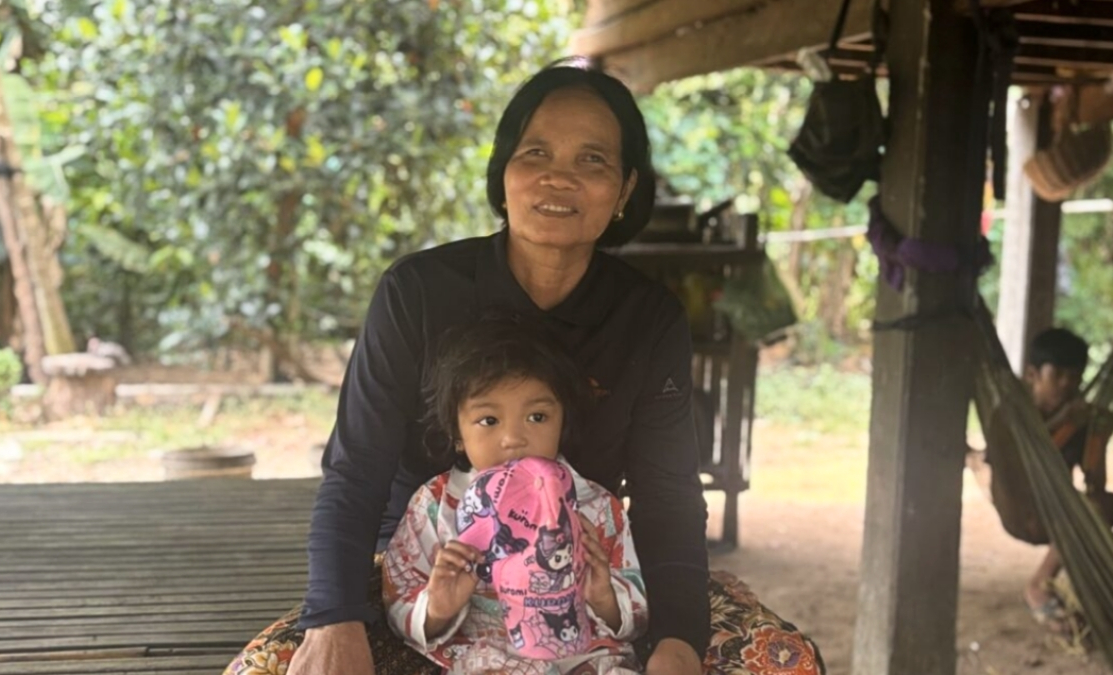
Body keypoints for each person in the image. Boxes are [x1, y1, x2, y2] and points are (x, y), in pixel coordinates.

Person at [225, 57, 823, 675]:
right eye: (535, 153)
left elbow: (668, 497)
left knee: (783, 662)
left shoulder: (646, 318)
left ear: (624, 191)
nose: (558, 179)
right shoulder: (418, 293)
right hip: (423, 580)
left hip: (590, 589)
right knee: (268, 670)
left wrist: (677, 640)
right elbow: (354, 474)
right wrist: (334, 618)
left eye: (592, 160)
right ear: (503, 174)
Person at [382, 314, 647, 674]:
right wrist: (437, 608)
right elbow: (399, 599)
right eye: (489, 421)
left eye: (537, 417)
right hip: (484, 661)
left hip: (584, 659)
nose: (514, 439)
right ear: (457, 433)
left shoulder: (597, 507)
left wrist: (604, 597)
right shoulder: (434, 506)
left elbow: (638, 612)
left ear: (562, 421)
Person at [971, 327, 1113, 632]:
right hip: (1021, 511)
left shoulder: (1082, 417)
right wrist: (1064, 422)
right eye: (1058, 375)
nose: (1067, 384)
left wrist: (1097, 435)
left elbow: (1095, 486)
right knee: (1088, 507)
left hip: (1059, 514)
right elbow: (1021, 461)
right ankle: (1039, 586)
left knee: (1099, 505)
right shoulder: (1009, 413)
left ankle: (1096, 589)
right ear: (1033, 374)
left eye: (1075, 377)